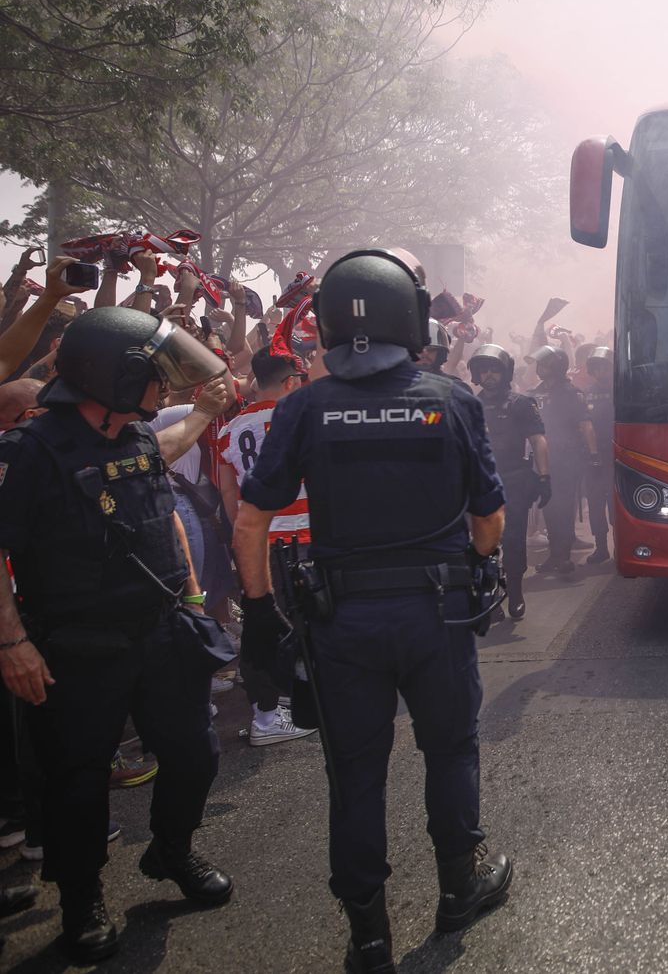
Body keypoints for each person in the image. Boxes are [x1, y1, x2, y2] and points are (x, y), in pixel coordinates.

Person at [231, 249, 512, 973]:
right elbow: (489, 516)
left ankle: (368, 936)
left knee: (354, 776)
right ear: (411, 319)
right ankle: (459, 889)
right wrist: (480, 565)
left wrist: (259, 612)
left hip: (342, 625)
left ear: (327, 324)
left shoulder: (302, 406)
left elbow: (251, 520)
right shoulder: (452, 399)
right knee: (450, 751)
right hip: (438, 614)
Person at [0, 307, 236, 963]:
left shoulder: (132, 434)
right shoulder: (28, 450)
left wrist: (202, 406)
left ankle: (172, 850)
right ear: (115, 376)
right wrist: (12, 643)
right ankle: (82, 899)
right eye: (154, 373)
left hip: (160, 633)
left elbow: (167, 447)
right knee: (77, 783)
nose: (164, 385)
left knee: (195, 754)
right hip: (76, 648)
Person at [214, 347, 317, 746]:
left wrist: (244, 534)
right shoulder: (302, 417)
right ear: (290, 381)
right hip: (303, 535)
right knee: (309, 618)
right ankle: (282, 709)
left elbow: (228, 494)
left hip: (257, 541)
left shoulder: (229, 429)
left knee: (263, 623)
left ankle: (269, 709)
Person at [467, 343, 550, 618]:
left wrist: (544, 476)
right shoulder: (469, 405)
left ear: (505, 373)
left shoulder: (521, 404)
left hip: (514, 480)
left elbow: (538, 440)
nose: (488, 375)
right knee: (484, 542)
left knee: (514, 538)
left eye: (494, 370)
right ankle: (491, 597)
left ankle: (515, 591)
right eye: (483, 370)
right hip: (481, 482)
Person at [530, 344, 597, 576]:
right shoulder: (535, 392)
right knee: (548, 507)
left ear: (556, 366)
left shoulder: (571, 393)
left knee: (564, 507)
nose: (539, 367)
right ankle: (555, 554)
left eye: (544, 364)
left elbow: (585, 425)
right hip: (542, 460)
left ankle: (564, 556)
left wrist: (594, 456)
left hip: (566, 459)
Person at [583, 346, 614, 565]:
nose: (599, 372)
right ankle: (601, 547)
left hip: (617, 454)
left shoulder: (623, 390)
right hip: (593, 456)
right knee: (595, 502)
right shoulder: (586, 393)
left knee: (616, 502)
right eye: (595, 368)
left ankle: (622, 544)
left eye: (603, 367)